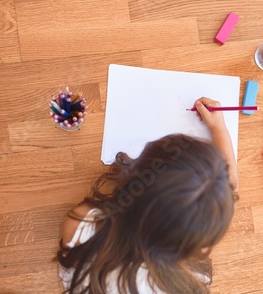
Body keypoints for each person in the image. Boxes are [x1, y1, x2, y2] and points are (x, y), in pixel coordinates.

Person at [57, 97, 239, 294]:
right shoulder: (201, 237)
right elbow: (231, 189)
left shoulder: (82, 224)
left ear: (133, 178)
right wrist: (219, 129)